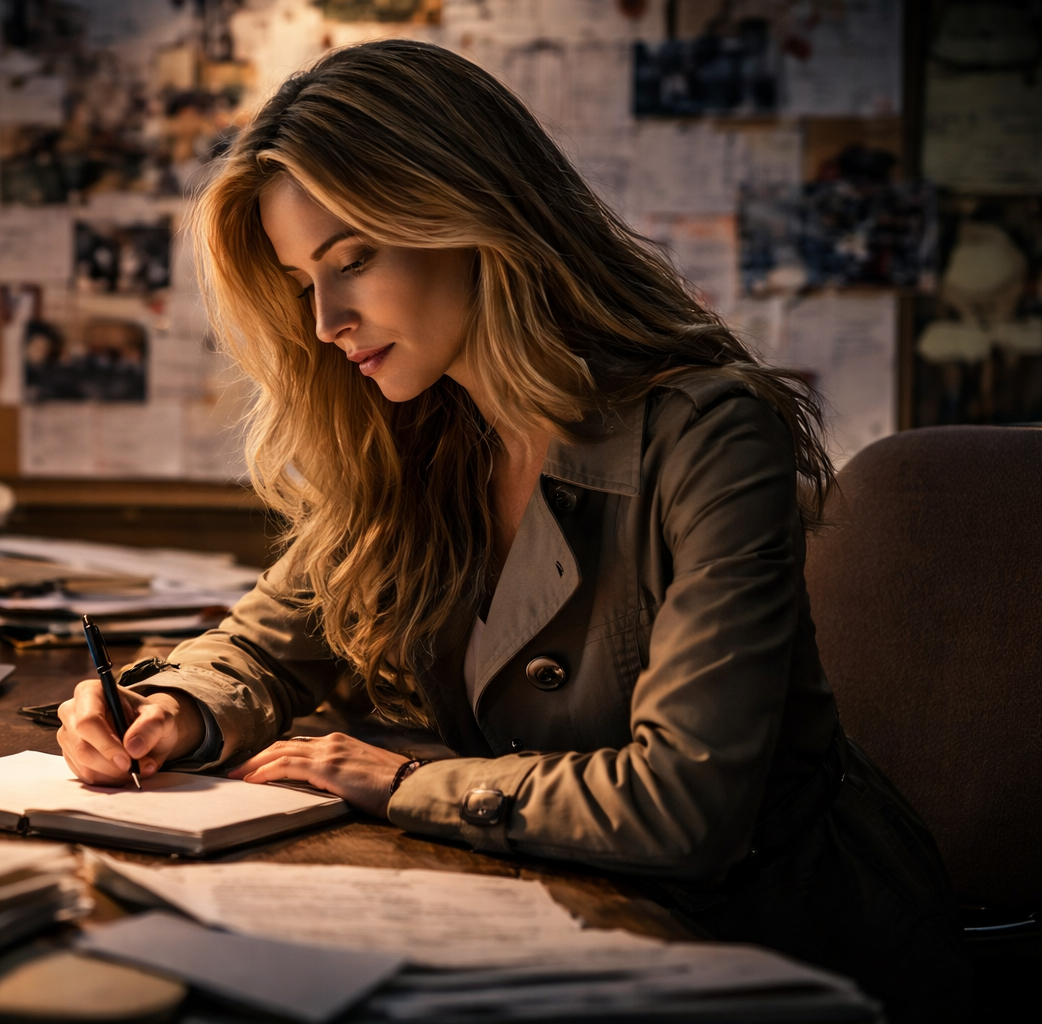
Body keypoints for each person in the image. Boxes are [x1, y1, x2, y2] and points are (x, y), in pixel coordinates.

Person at [56, 40, 965, 1021]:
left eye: (352, 259)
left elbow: (684, 806)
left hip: (760, 949)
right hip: (528, 923)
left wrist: (408, 780)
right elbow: (269, 641)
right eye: (301, 279)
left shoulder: (708, 431)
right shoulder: (416, 430)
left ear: (472, 217)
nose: (325, 320)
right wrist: (174, 707)